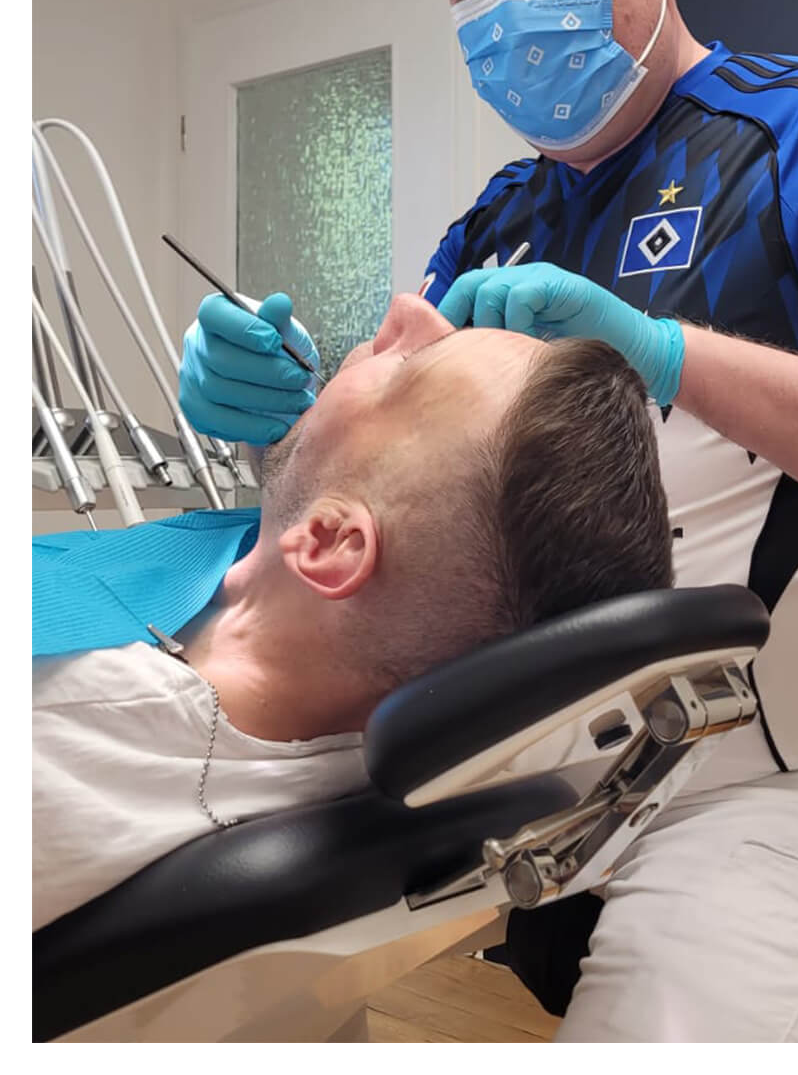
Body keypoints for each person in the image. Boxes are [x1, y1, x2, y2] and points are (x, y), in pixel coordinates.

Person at [178, 0, 798, 1042]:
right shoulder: (494, 224)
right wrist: (280, 421)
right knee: (203, 970)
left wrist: (667, 355)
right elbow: (403, 512)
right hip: (535, 771)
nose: (510, 0)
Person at [33, 295, 673, 932]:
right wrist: (314, 449)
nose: (406, 310)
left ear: (329, 545)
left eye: (407, 368)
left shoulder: (60, 734)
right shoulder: (345, 661)